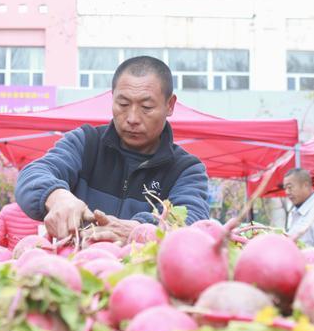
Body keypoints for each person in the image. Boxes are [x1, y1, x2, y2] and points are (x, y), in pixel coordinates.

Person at [15, 56, 210, 243]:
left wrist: (138, 230)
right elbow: (33, 174)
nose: (132, 118)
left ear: (170, 105)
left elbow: (191, 218)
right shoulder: (86, 143)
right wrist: (57, 196)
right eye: (123, 104)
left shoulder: (186, 169)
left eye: (147, 107)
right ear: (112, 99)